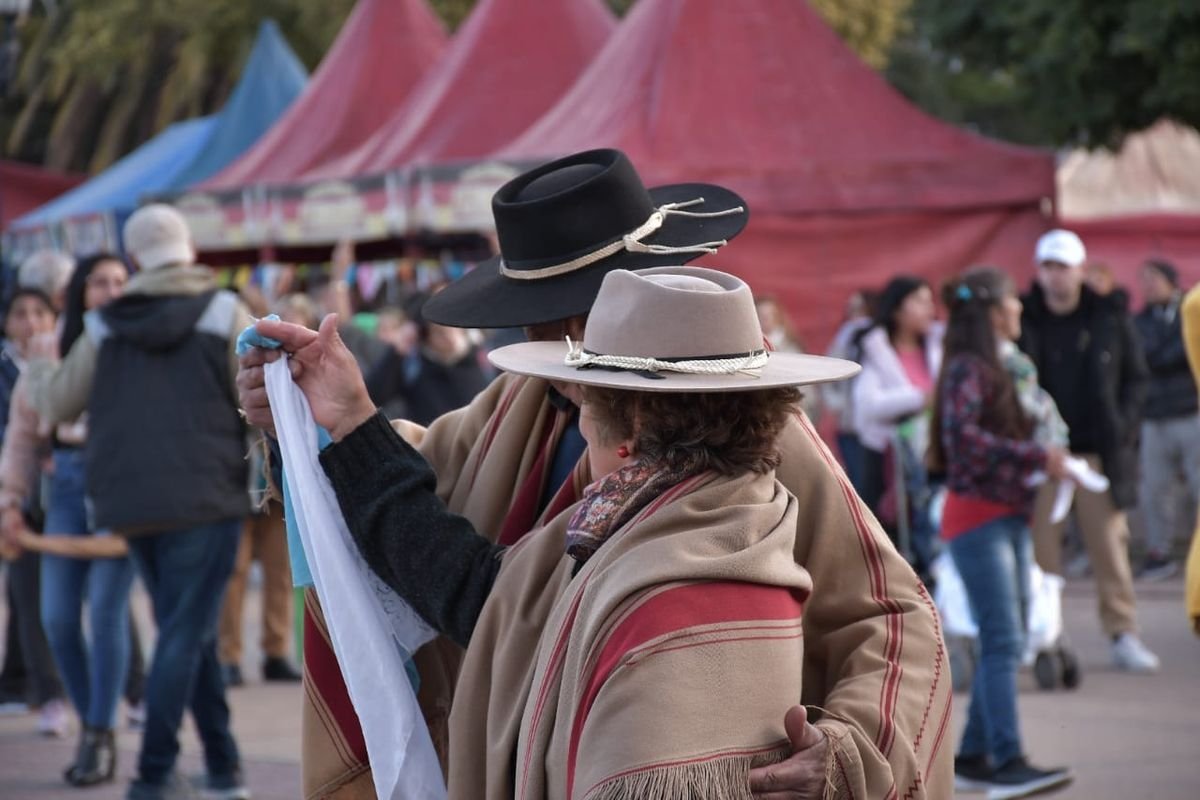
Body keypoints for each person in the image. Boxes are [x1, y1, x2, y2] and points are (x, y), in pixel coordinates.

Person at [239, 149, 953, 799]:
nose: (555, 347)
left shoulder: (748, 427)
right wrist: (316, 424)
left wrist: (849, 755)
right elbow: (423, 493)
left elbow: (890, 614)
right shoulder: (519, 401)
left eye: (571, 319)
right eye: (538, 322)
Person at [262, 265, 863, 796]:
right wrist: (348, 420)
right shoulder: (731, 513)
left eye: (584, 413)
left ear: (623, 437)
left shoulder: (649, 567)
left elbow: (486, 594)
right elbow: (488, 591)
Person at [24, 204, 254, 800]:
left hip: (127, 501)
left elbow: (58, 407)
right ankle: (154, 775)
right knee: (183, 631)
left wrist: (40, 361)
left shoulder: (103, 326)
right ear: (190, 252)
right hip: (207, 495)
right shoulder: (226, 311)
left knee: (191, 630)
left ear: (134, 259)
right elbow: (259, 402)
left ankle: (225, 769)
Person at [929, 267, 1073, 799]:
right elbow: (963, 442)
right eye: (1013, 299)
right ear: (994, 310)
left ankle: (972, 757)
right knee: (1003, 638)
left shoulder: (998, 365)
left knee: (1003, 636)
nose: (1019, 307)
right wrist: (1037, 455)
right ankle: (1008, 760)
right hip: (978, 519)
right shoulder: (971, 368)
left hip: (1006, 514)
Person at [0, 253, 133, 785]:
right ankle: (91, 725)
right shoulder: (49, 348)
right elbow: (23, 435)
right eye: (99, 281)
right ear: (78, 292)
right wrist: (10, 499)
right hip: (67, 488)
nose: (110, 290)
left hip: (123, 488)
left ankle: (99, 734)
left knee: (105, 614)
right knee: (56, 617)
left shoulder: (138, 345)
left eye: (121, 281)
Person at [1020, 229, 1159, 673]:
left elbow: (1137, 378)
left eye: (1063, 266)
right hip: (1044, 457)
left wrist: (1122, 427)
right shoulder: (1024, 318)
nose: (1055, 276)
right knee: (1043, 554)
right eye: (1048, 266)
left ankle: (1123, 633)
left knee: (1109, 547)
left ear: (1081, 269)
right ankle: (1046, 638)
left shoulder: (1109, 316)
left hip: (1096, 454)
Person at [0, 286, 68, 737]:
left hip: (68, 494)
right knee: (29, 601)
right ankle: (49, 697)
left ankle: (133, 689)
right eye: (20, 313)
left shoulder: (69, 359)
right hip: (17, 498)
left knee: (95, 600)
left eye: (39, 312)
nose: (31, 322)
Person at [852, 276, 943, 576]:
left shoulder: (938, 346)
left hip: (934, 458)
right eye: (918, 301)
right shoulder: (876, 349)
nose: (928, 309)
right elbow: (868, 406)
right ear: (896, 309)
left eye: (930, 301)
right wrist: (920, 398)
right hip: (888, 462)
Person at [1133, 258, 1198, 580]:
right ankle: (1159, 552)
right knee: (1154, 490)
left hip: (1191, 412)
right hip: (1155, 415)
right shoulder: (1140, 320)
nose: (1148, 285)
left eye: (1154, 278)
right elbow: (1141, 357)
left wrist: (1162, 356)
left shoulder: (1190, 310)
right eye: (1144, 280)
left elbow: (1187, 350)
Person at [364, 294, 491, 427]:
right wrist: (398, 351)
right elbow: (373, 397)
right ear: (426, 337)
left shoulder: (482, 358)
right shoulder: (414, 366)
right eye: (439, 332)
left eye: (453, 326)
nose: (449, 336)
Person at [823, 289, 875, 493]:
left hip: (874, 423)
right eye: (852, 309)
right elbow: (829, 372)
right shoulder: (845, 336)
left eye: (860, 308)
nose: (856, 314)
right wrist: (838, 404)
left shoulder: (879, 336)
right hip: (849, 423)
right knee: (856, 480)